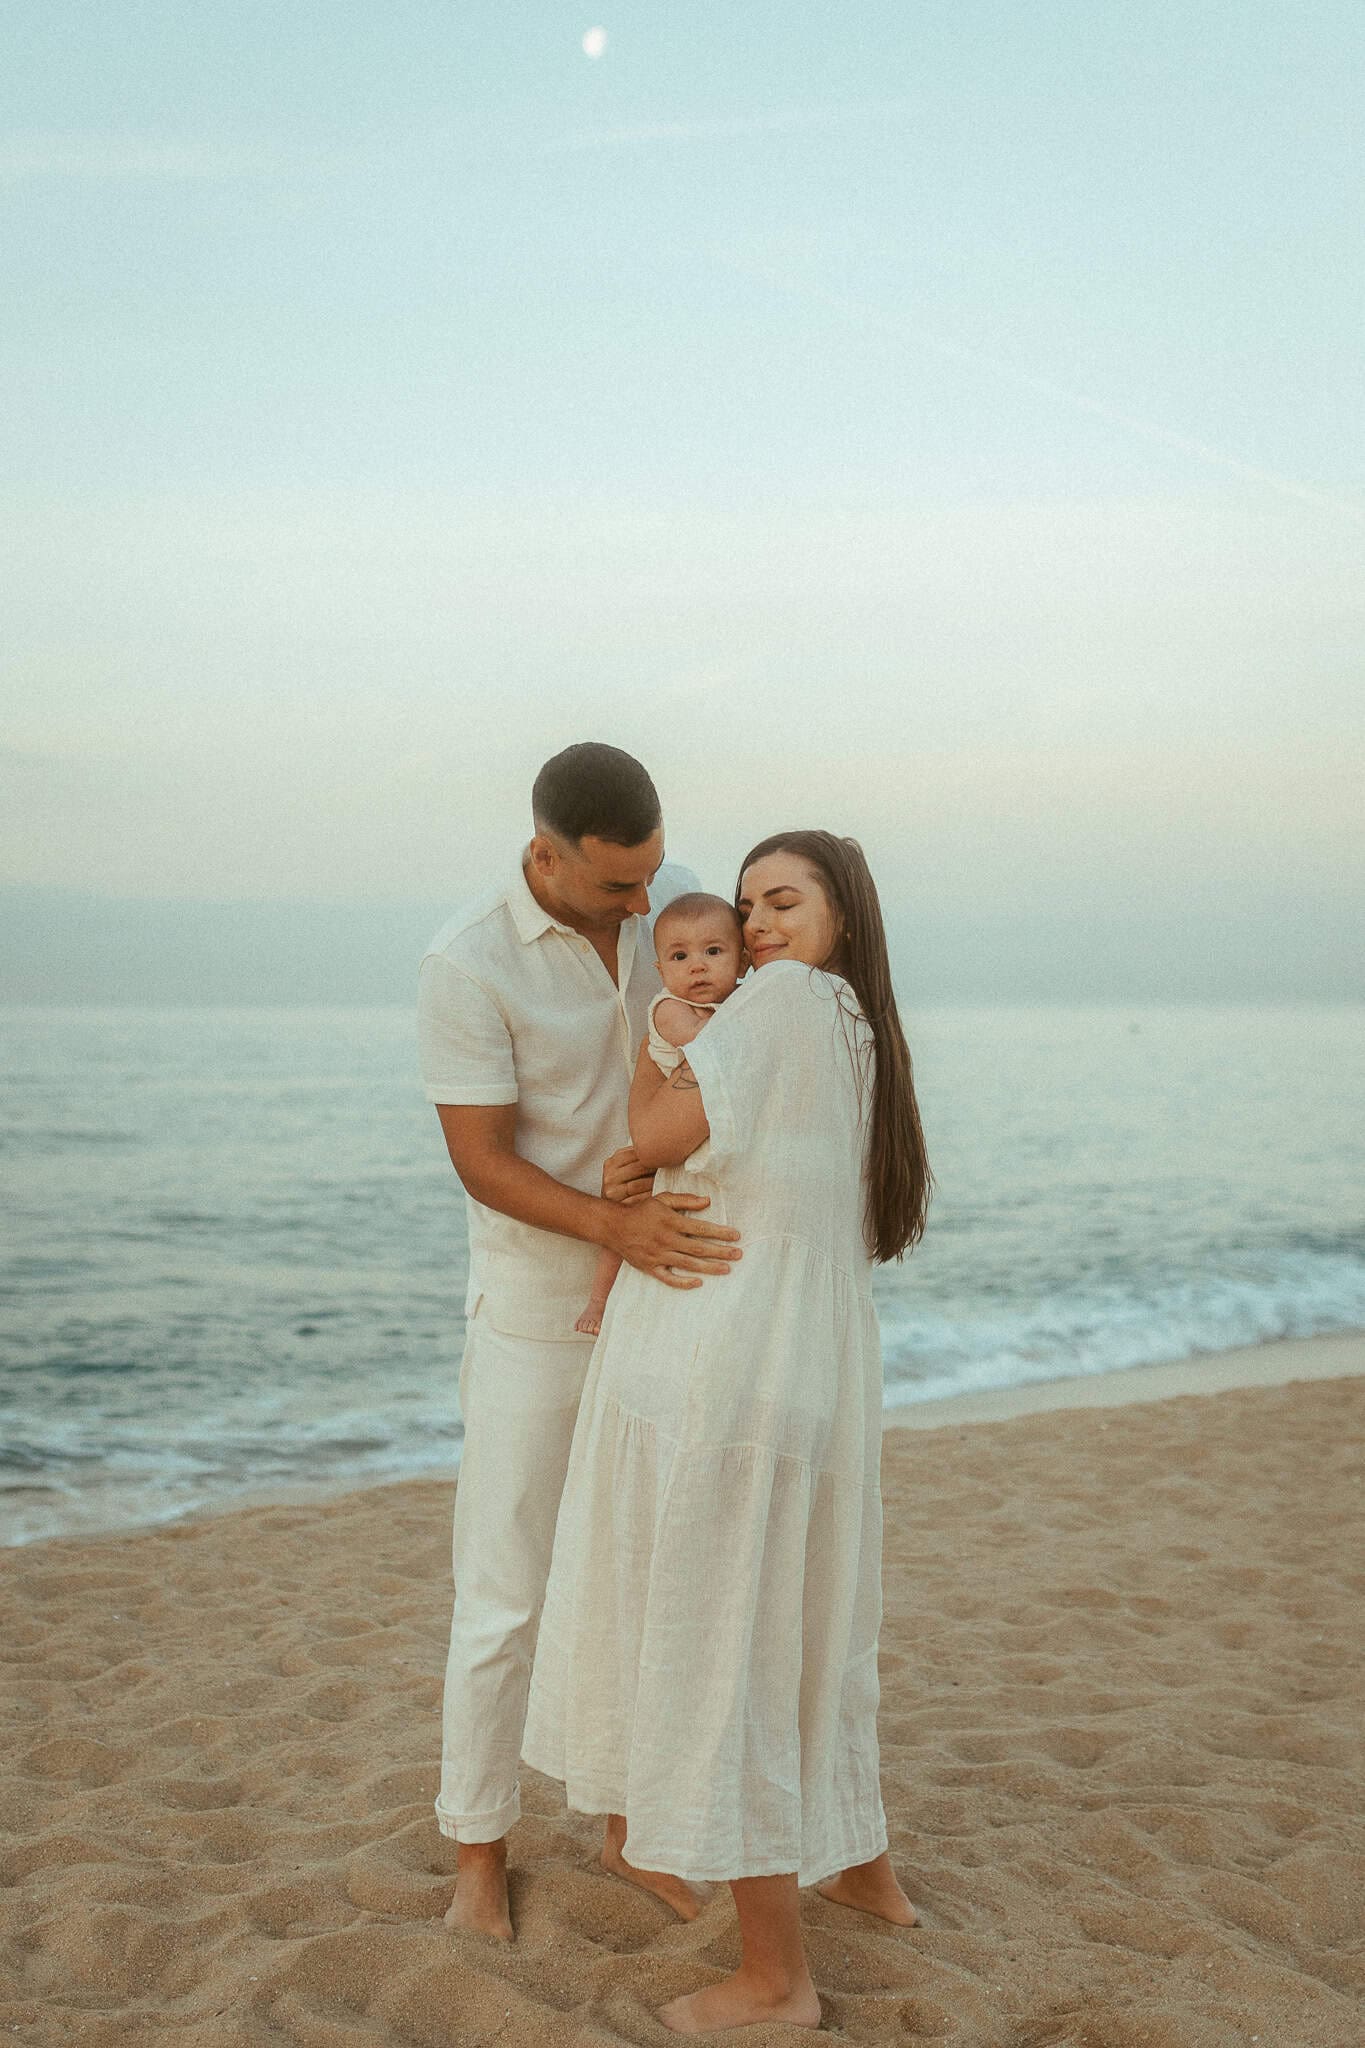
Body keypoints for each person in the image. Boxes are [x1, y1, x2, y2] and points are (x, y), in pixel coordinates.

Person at [523, 829, 932, 2034]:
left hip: (721, 1365)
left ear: (842, 913)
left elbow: (652, 1137)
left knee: (727, 1645)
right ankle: (861, 1863)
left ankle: (776, 1975)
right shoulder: (856, 1026)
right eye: (747, 906)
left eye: (784, 901)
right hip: (805, 1365)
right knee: (809, 1628)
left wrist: (650, 1098)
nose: (757, 928)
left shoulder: (787, 1000)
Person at [417, 742, 743, 1942]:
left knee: (648, 1570)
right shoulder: (467, 961)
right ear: (545, 852)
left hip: (671, 1286)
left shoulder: (679, 894)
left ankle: (622, 1824)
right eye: (618, 886)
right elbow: (481, 1157)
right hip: (537, 1311)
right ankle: (477, 1850)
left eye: (654, 874)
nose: (648, 905)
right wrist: (617, 1220)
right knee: (505, 1592)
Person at [575, 892, 747, 1335]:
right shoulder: (671, 1008)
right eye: (679, 956)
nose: (697, 966)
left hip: (696, 1133)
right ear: (661, 971)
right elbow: (705, 1046)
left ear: (742, 961)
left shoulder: (739, 1005)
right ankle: (598, 1302)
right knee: (625, 1217)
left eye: (713, 952)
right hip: (656, 1138)